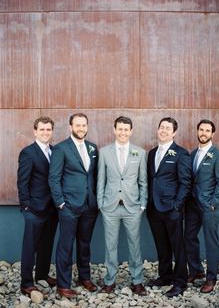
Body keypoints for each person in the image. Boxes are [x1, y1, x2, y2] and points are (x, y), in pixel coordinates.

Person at [48, 113, 98, 299]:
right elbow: (53, 178)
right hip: (68, 206)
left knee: (85, 244)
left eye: (84, 125)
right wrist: (60, 202)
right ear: (70, 127)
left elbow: (93, 176)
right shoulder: (61, 149)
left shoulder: (93, 148)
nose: (81, 128)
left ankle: (84, 277)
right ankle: (63, 284)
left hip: (89, 206)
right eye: (77, 125)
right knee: (66, 246)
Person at [97, 116, 147, 296]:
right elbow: (100, 180)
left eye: (126, 129)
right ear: (114, 130)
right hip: (109, 207)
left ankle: (137, 281)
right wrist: (100, 203)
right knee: (110, 245)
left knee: (135, 244)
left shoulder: (139, 153)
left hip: (132, 207)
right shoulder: (104, 152)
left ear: (131, 131)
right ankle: (110, 281)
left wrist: (142, 205)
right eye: (120, 129)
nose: (123, 132)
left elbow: (143, 181)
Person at [146, 117, 191, 298]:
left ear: (174, 132)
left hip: (172, 208)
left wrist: (177, 206)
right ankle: (165, 276)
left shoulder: (181, 153)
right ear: (158, 130)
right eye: (161, 127)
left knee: (177, 246)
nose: (163, 130)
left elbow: (185, 182)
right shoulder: (151, 153)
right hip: (154, 208)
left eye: (168, 128)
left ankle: (180, 282)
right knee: (161, 245)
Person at [184, 119, 219, 293]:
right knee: (188, 236)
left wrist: (213, 203)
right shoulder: (193, 153)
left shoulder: (218, 155)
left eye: (207, 130)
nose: (203, 133)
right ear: (197, 131)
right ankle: (195, 271)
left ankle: (211, 278)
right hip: (193, 205)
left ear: (212, 134)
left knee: (211, 241)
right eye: (201, 130)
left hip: (209, 206)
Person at [17, 116, 58, 296]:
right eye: (42, 129)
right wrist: (26, 206)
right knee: (30, 246)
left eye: (48, 129)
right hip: (34, 209)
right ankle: (26, 282)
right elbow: (22, 181)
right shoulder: (28, 152)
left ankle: (42, 274)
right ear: (35, 131)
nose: (45, 132)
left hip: (52, 208)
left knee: (46, 244)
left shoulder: (55, 151)